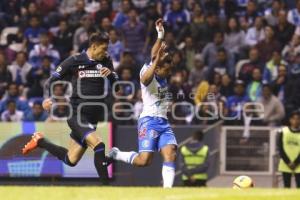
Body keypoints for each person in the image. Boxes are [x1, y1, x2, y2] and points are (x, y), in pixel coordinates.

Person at [21, 32, 119, 185]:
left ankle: (40, 141)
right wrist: (47, 98)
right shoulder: (74, 60)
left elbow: (117, 87)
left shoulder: (106, 60)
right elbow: (52, 79)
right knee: (99, 145)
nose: (106, 52)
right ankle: (106, 189)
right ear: (94, 46)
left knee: (71, 159)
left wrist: (111, 76)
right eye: (103, 48)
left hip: (93, 117)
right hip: (77, 114)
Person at [108, 19, 177, 188]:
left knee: (170, 153)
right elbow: (146, 79)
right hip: (149, 121)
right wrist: (157, 60)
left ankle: (166, 193)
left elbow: (155, 52)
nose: (169, 72)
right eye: (166, 69)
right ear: (158, 68)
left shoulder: (158, 69)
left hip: (163, 122)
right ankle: (117, 154)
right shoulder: (148, 75)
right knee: (144, 161)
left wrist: (160, 34)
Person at [277, 111, 300, 188]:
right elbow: (280, 148)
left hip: (299, 164)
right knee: (286, 187)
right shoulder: (283, 131)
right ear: (290, 120)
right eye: (294, 119)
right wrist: (288, 162)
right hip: (285, 163)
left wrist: (296, 162)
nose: (296, 121)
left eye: (298, 119)